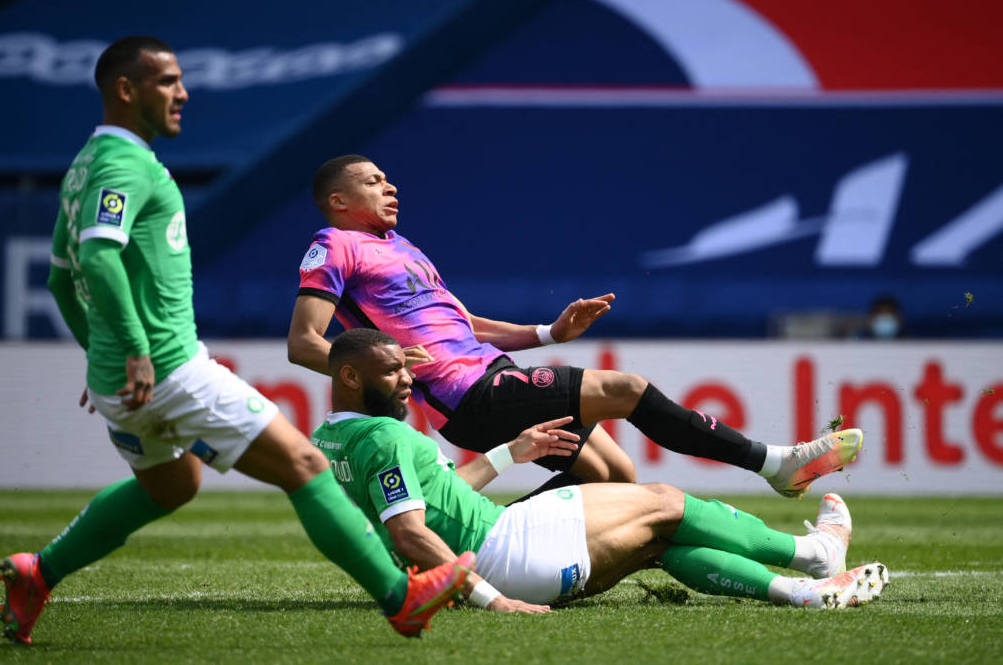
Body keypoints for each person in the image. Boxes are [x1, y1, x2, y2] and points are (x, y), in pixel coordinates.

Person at [0, 37, 474, 646]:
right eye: (167, 81)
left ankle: (39, 573)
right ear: (125, 89)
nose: (182, 93)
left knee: (172, 485)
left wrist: (102, 353)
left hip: (125, 377)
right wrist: (135, 350)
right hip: (168, 367)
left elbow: (60, 281)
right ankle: (401, 598)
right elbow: (96, 259)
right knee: (305, 465)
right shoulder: (123, 166)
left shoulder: (84, 168)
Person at [287, 154, 862, 500]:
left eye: (388, 179)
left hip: (491, 374)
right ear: (338, 200)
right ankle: (776, 464)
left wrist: (548, 333)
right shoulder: (333, 245)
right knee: (625, 389)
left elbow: (466, 324)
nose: (390, 187)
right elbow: (303, 342)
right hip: (464, 395)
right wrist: (382, 362)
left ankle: (475, 547)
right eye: (373, 181)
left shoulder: (402, 246)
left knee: (613, 475)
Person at [309, 329, 890, 612]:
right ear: (351, 377)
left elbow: (434, 501)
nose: (408, 379)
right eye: (392, 371)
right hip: (500, 552)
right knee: (662, 500)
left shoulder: (329, 439)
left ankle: (802, 591)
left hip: (495, 560)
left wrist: (513, 452)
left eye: (405, 367)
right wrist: (493, 601)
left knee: (656, 543)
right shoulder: (384, 436)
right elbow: (409, 532)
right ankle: (812, 553)